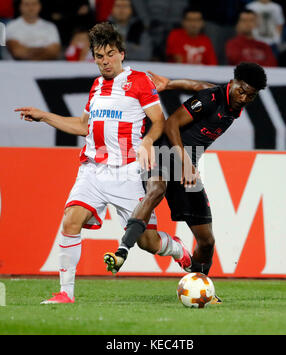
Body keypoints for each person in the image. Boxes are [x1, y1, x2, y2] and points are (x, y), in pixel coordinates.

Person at [15, 22, 192, 304]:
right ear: (94, 59)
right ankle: (65, 293)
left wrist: (146, 141)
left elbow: (159, 121)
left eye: (110, 54)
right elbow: (84, 126)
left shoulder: (140, 81)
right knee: (71, 219)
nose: (105, 61)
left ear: (121, 53)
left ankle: (175, 248)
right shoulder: (97, 86)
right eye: (99, 56)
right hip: (92, 170)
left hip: (127, 172)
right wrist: (44, 115)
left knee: (148, 242)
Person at [104, 62, 267, 294]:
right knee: (156, 190)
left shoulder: (228, 101)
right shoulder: (212, 97)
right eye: (241, 91)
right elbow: (171, 124)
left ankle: (200, 290)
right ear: (234, 82)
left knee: (207, 241)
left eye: (250, 96)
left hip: (186, 170)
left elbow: (198, 85)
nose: (243, 98)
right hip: (165, 154)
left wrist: (170, 84)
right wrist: (186, 163)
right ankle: (122, 250)